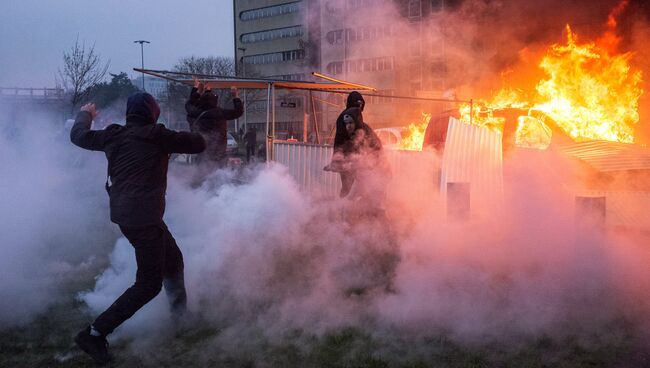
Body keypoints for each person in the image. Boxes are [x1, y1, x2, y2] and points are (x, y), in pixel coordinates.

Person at [70, 93, 206, 364]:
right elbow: (199, 143)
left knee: (173, 260)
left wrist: (86, 114)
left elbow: (78, 136)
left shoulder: (113, 135)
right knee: (148, 285)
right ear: (153, 114)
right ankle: (94, 333)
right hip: (143, 217)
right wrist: (198, 115)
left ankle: (180, 316)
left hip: (127, 214)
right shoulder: (158, 135)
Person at [325, 105, 389, 208]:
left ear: (357, 122)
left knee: (374, 202)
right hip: (367, 173)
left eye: (351, 123)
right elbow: (345, 151)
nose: (348, 126)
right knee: (355, 198)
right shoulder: (353, 135)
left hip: (378, 172)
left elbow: (365, 157)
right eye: (346, 124)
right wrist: (335, 163)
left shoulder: (364, 134)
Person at [185, 80, 244, 170]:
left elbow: (189, 104)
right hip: (218, 154)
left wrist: (196, 89)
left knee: (202, 178)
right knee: (218, 178)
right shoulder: (220, 113)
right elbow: (238, 112)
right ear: (215, 102)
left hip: (201, 153)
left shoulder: (195, 113)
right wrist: (235, 96)